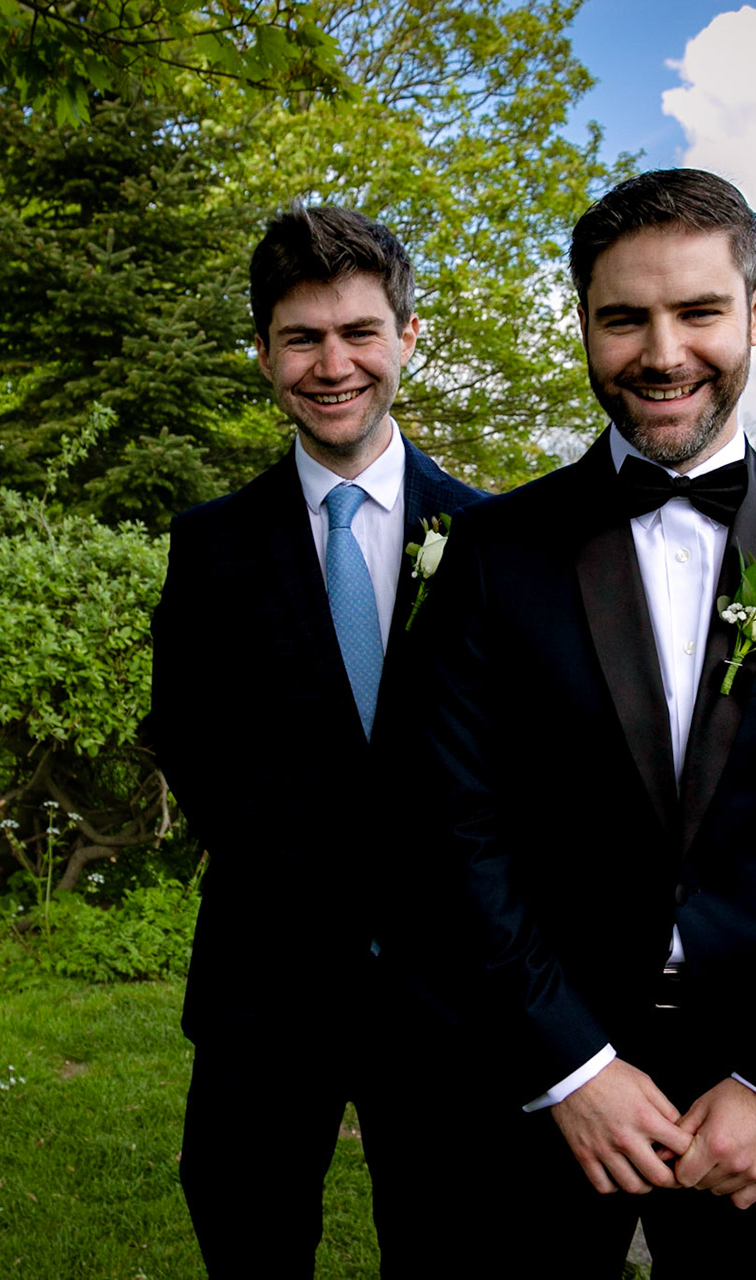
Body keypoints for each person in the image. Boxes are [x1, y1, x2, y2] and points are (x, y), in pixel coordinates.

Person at [392, 168, 756, 1277]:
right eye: (625, 318)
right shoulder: (492, 555)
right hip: (544, 1076)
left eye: (699, 311)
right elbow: (455, 826)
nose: (664, 352)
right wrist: (571, 1067)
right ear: (584, 324)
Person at [148, 204, 483, 1277]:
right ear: (263, 353)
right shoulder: (209, 547)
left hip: (450, 989)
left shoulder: (493, 538)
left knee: (449, 1250)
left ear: (407, 338)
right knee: (249, 1239)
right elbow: (189, 739)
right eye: (301, 338)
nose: (333, 366)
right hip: (265, 978)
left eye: (359, 332)